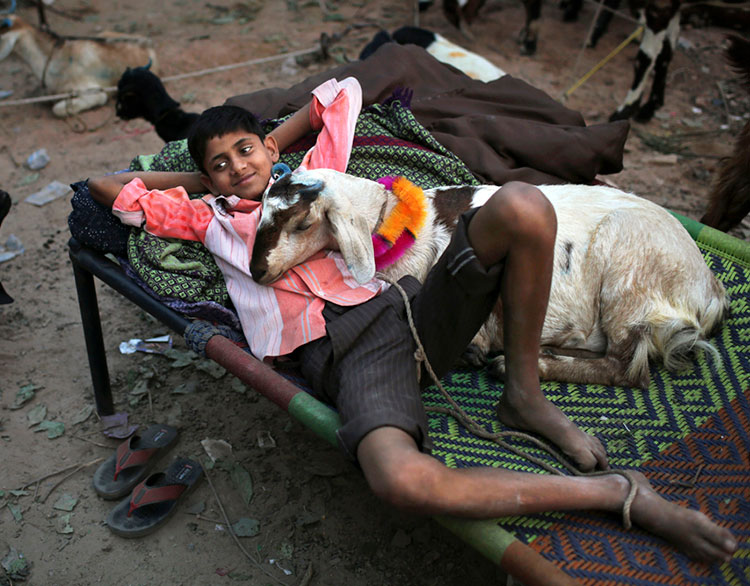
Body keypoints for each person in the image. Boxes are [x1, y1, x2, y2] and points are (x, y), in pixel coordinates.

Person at [88, 77, 737, 564]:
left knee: (523, 206)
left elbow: (339, 94)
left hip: (412, 306)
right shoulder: (214, 220)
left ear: (266, 145)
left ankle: (524, 396)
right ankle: (620, 494)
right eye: (221, 162)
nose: (238, 165)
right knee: (399, 479)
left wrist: (270, 145)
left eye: (244, 150)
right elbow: (107, 186)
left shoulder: (322, 174)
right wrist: (211, 181)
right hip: (349, 352)